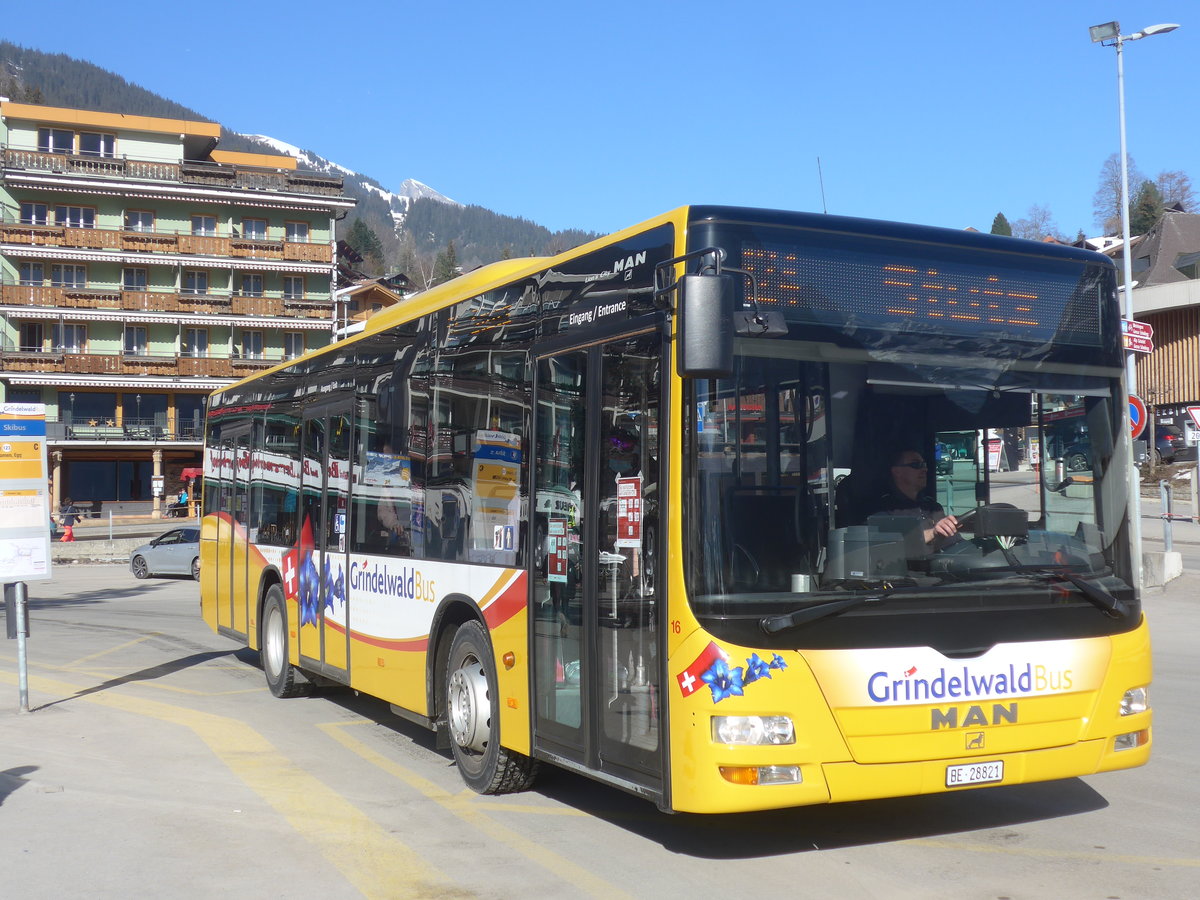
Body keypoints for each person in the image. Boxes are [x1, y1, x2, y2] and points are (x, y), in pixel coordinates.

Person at [873, 449, 959, 551]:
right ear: (897, 471)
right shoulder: (883, 510)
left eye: (924, 465)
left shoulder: (932, 506)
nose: (925, 470)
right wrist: (933, 533)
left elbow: (955, 544)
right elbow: (893, 546)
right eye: (916, 465)